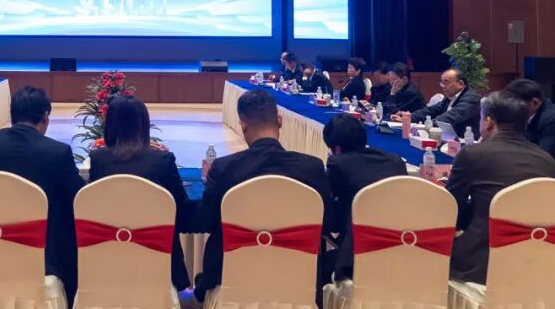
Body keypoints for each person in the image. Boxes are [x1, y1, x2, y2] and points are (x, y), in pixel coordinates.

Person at [195, 89, 330, 302]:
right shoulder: (312, 168)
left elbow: (206, 221)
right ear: (280, 121)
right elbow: (327, 223)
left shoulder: (224, 168)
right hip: (299, 277)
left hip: (231, 275)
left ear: (243, 126)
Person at [0, 86, 84, 302]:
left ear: (12, 114)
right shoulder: (57, 152)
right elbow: (78, 198)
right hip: (44, 255)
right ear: (45, 117)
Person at [445, 91, 555, 284]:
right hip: (532, 258)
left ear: (488, 122)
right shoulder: (547, 160)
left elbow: (450, 207)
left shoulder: (473, 154)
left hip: (481, 261)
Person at [89, 96, 190, 292]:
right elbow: (180, 208)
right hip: (159, 255)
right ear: (143, 124)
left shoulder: (99, 159)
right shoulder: (163, 160)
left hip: (109, 255)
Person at [321, 114, 407, 283]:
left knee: (315, 267)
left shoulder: (338, 165)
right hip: (401, 248)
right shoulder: (396, 162)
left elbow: (328, 212)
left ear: (336, 149)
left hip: (356, 258)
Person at [504, 78, 555, 164]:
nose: (511, 110)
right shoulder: (528, 115)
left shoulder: (553, 121)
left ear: (535, 102)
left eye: (515, 105)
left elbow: (543, 159)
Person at [396, 69, 482, 138]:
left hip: (466, 142)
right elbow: (431, 110)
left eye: (446, 82)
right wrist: (409, 117)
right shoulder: (450, 97)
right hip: (449, 139)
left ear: (460, 84)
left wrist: (426, 125)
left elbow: (450, 117)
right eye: (442, 83)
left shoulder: (471, 99)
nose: (443, 86)